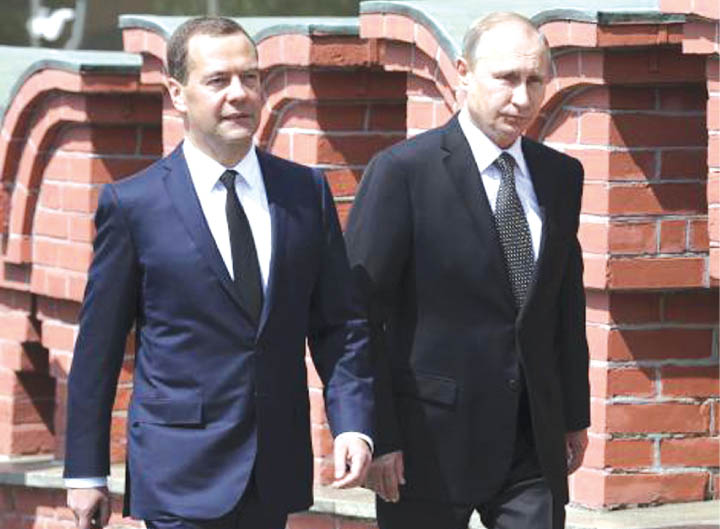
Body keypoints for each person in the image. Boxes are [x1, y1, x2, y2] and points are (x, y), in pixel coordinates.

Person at [63, 16, 373, 529]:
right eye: (218, 80)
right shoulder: (133, 204)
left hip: (274, 468)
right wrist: (84, 472)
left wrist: (353, 425)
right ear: (177, 93)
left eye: (250, 78)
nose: (239, 94)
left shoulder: (305, 194)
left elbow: (339, 324)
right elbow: (97, 348)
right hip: (178, 471)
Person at [345, 12, 589, 529]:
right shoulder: (402, 173)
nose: (522, 99)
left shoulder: (561, 176)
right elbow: (359, 315)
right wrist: (379, 434)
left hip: (531, 442)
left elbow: (564, 303)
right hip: (427, 444)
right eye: (506, 78)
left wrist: (572, 415)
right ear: (463, 72)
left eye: (534, 81)